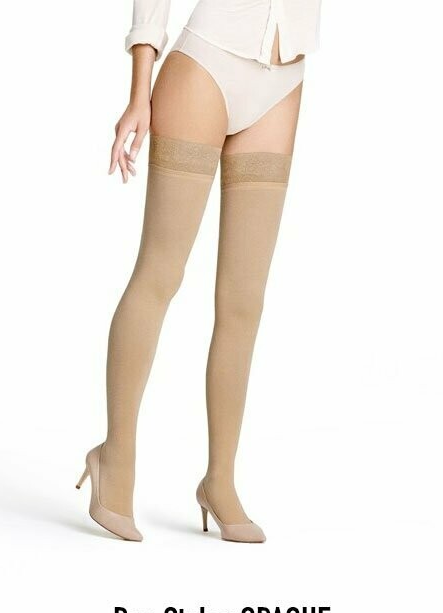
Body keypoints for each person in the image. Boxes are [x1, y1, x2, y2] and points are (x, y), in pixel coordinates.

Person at [76, 0, 322, 542]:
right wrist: (138, 91)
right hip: (206, 64)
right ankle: (115, 457)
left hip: (284, 80)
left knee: (244, 300)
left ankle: (220, 480)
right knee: (160, 273)